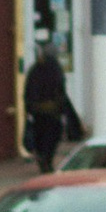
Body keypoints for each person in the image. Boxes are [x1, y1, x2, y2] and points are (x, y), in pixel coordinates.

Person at [22, 40, 81, 171]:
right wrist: (63, 109)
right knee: (52, 137)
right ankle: (47, 160)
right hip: (53, 112)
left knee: (40, 137)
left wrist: (29, 109)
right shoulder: (55, 68)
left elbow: (29, 91)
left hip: (38, 112)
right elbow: (60, 90)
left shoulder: (35, 69)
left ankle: (43, 159)